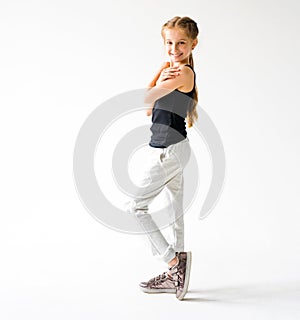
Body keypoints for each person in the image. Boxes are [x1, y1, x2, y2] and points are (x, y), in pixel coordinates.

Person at [126, 16, 199, 300]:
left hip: (170, 151)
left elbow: (144, 100)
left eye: (181, 42)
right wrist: (160, 70)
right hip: (175, 148)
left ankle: (173, 263)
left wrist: (161, 73)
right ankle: (176, 275)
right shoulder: (171, 71)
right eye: (169, 42)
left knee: (135, 207)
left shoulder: (183, 74)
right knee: (174, 213)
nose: (174, 48)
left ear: (193, 44)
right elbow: (149, 109)